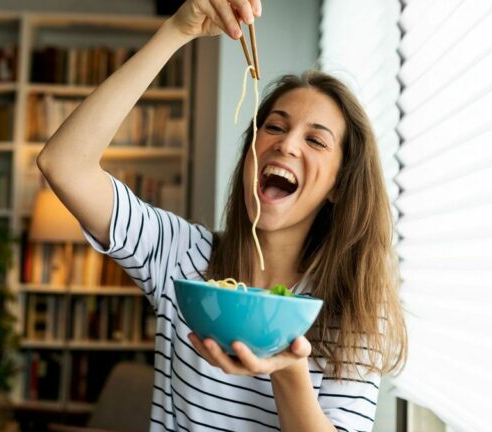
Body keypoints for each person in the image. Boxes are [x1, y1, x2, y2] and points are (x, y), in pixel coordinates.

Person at [37, 0, 407, 430]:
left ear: (339, 187)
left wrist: (287, 370)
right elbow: (63, 164)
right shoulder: (183, 257)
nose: (287, 145)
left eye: (316, 141)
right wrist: (177, 31)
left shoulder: (355, 305)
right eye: (275, 126)